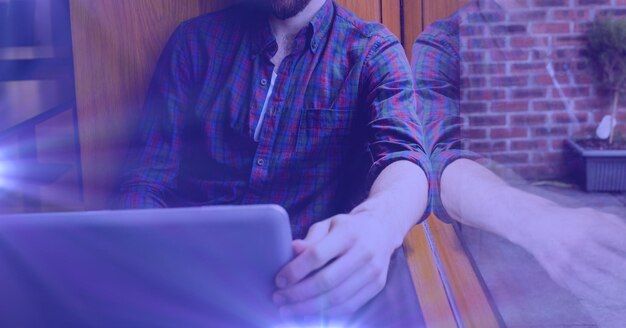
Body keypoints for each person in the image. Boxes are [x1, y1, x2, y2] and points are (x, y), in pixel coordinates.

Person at [113, 0, 429, 324]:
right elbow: (145, 180)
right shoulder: (193, 44)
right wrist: (148, 257)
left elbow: (405, 159)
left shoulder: (372, 52)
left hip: (300, 300)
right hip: (183, 292)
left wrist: (379, 223)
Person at [412, 0, 626, 311]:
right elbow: (439, 163)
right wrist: (544, 225)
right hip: (507, 273)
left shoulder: (594, 25)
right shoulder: (445, 43)